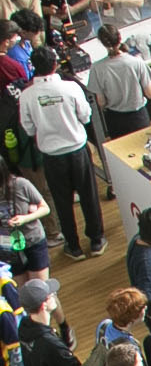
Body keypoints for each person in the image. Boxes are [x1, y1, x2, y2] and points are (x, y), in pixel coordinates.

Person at [18, 45, 104, 258]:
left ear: (33, 67)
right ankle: (96, 241)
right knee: (89, 196)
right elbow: (86, 117)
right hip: (77, 150)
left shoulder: (27, 96)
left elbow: (28, 128)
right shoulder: (71, 88)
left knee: (62, 201)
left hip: (51, 156)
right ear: (55, 64)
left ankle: (73, 246)